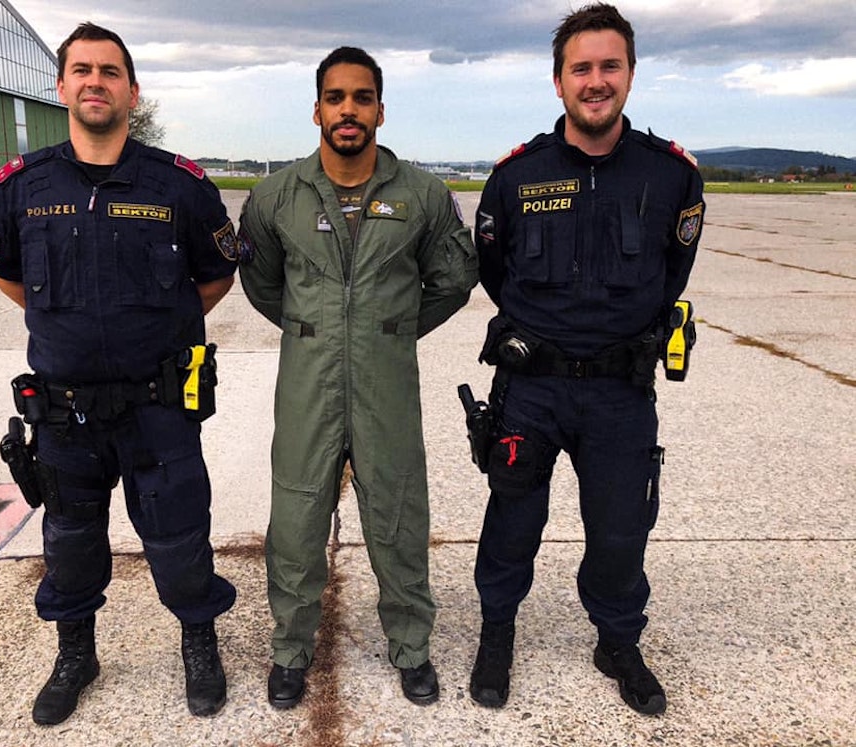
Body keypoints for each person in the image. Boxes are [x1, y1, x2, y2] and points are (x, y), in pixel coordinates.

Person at [0, 23, 239, 724]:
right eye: (82, 70)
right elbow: (11, 278)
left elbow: (213, 278)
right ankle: (75, 652)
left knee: (180, 536)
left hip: (159, 405)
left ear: (131, 90)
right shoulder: (21, 186)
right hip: (64, 412)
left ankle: (199, 644)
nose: (96, 81)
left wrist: (154, 328)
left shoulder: (179, 184)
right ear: (60, 86)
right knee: (70, 540)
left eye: (110, 71)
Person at [469, 3, 704, 716]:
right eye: (582, 68)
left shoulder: (671, 177)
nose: (595, 81)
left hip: (619, 393)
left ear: (630, 74)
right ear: (558, 80)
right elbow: (493, 269)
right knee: (512, 518)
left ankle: (618, 639)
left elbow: (673, 276)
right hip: (530, 389)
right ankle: (497, 631)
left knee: (620, 526)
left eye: (609, 66)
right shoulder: (516, 176)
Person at [238, 46, 478, 709]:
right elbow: (262, 284)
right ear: (317, 109)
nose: (349, 109)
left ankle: (411, 647)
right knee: (296, 516)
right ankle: (290, 649)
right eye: (337, 97)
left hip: (386, 386)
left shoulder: (423, 195)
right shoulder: (277, 195)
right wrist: (318, 329)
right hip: (308, 384)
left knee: (399, 513)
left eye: (362, 97)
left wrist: (391, 328)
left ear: (380, 108)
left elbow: (454, 279)